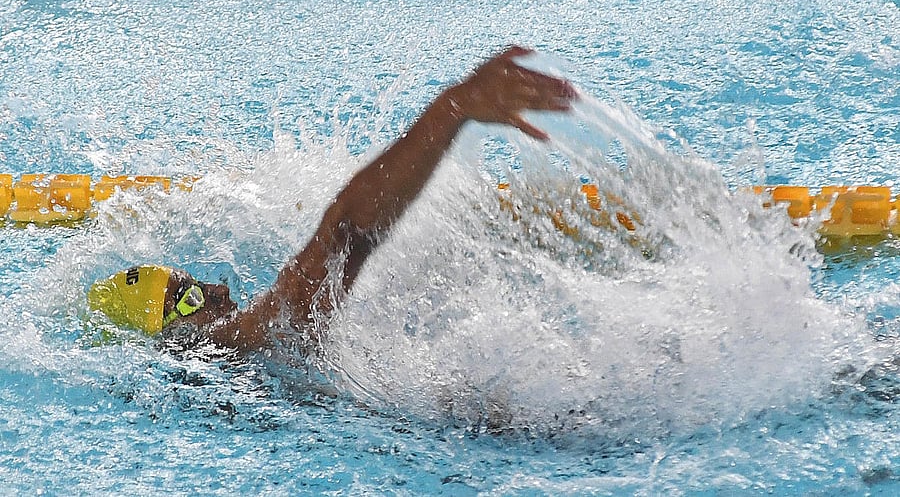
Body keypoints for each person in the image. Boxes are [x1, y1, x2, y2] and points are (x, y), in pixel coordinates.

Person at [88, 46, 576, 354]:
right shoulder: (246, 341)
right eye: (191, 297)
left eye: (198, 282)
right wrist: (453, 109)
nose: (218, 292)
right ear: (175, 336)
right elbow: (345, 235)